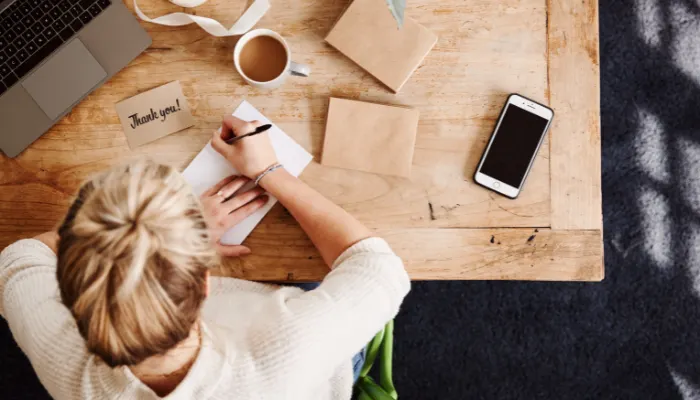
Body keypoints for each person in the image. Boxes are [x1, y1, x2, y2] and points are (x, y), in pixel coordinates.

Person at [0, 116, 410, 399]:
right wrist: (269, 170)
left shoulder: (63, 359)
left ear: (71, 297)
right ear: (204, 282)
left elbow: (17, 260)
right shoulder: (289, 345)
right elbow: (380, 269)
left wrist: (157, 245)